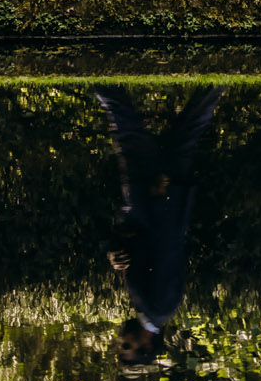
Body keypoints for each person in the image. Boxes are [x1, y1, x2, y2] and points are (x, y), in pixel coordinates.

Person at [92, 85, 224, 365]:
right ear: (145, 347)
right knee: (127, 133)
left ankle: (223, 77)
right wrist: (159, 200)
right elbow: (167, 249)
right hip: (154, 202)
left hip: (150, 204)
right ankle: (97, 77)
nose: (121, 338)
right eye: (126, 345)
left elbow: (138, 252)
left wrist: (114, 255)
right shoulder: (159, 308)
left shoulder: (148, 310)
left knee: (188, 127)